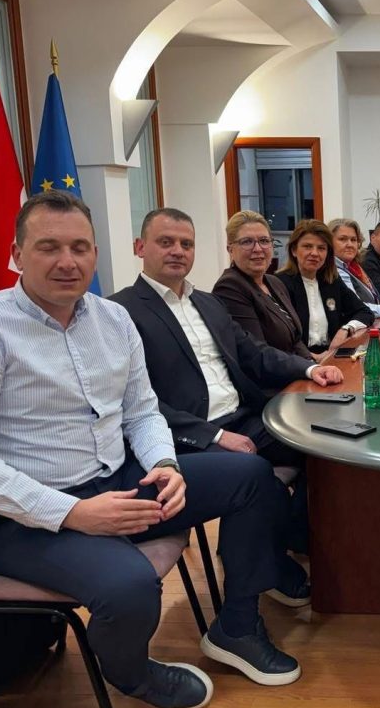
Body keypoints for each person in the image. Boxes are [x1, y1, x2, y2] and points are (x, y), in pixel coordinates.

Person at [0, 191, 302, 708]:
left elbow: (142, 412)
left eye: (79, 247)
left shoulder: (113, 320)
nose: (68, 261)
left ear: (96, 253)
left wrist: (164, 465)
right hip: (22, 517)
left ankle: (238, 626)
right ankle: (135, 676)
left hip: (117, 480)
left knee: (250, 475)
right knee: (130, 585)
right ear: (17, 254)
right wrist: (75, 513)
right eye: (49, 247)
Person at [112, 207, 344, 605]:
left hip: (244, 417)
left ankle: (290, 544)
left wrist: (310, 368)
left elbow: (254, 353)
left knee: (323, 444)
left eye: (186, 244)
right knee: (254, 474)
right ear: (139, 247)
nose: (177, 251)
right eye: (165, 242)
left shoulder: (207, 302)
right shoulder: (120, 312)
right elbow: (135, 403)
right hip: (188, 436)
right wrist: (215, 435)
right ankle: (257, 585)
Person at [212, 210, 313, 359]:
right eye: (247, 242)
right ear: (230, 249)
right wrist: (308, 368)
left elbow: (295, 339)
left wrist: (312, 363)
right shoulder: (229, 287)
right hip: (270, 373)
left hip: (296, 368)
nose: (258, 249)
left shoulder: (274, 282)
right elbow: (257, 353)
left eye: (264, 241)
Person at [276, 219, 375, 356]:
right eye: (307, 246)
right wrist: (311, 358)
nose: (315, 253)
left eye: (321, 248)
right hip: (296, 360)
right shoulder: (279, 283)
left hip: (331, 355)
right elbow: (280, 337)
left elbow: (365, 312)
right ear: (294, 250)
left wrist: (346, 329)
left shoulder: (331, 281)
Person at [329, 218, 380, 318]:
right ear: (329, 242)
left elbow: (373, 294)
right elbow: (356, 307)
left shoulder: (353, 266)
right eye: (343, 239)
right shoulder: (334, 270)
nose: (350, 245)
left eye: (353, 240)